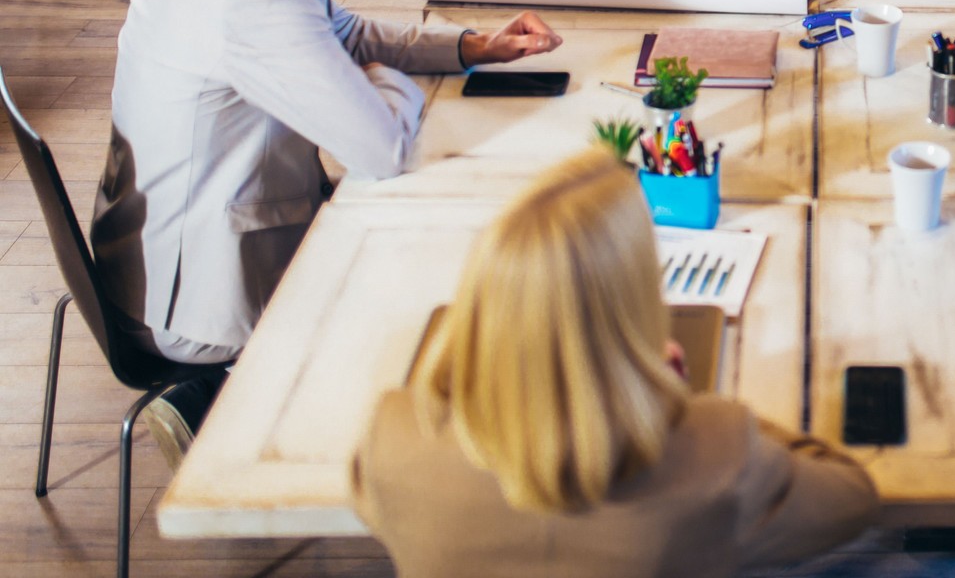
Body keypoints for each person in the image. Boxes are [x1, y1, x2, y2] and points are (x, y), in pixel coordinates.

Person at [92, 0, 560, 453]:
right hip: (201, 294)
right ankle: (231, 392)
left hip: (159, 241)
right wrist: (373, 84)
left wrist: (468, 48)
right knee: (475, 265)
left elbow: (332, 30)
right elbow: (381, 147)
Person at [352, 150, 879, 577]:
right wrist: (684, 402)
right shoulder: (719, 452)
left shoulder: (390, 435)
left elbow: (377, 508)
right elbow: (851, 499)